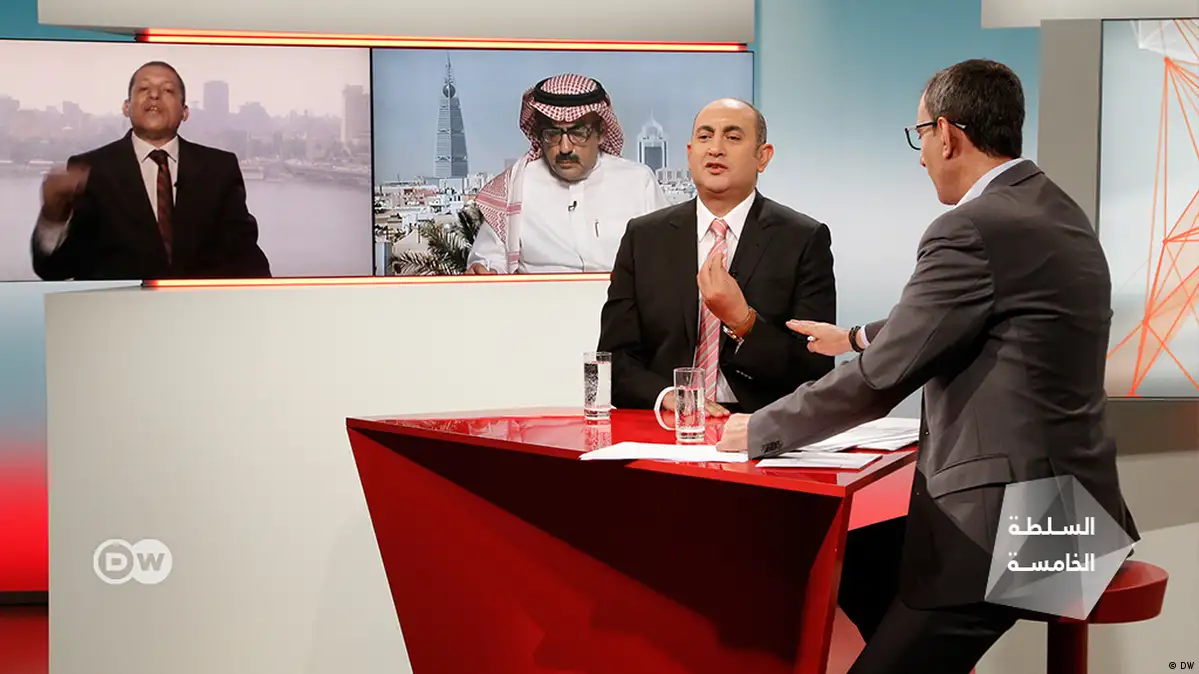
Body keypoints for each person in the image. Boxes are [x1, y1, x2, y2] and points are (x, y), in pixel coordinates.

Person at [716, 60, 1138, 673]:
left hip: (1020, 531)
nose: (920, 159)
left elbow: (880, 380)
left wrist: (760, 428)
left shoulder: (971, 227)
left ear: (946, 133)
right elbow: (964, 317)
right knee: (853, 560)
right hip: (1081, 516)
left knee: (854, 575)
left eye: (919, 136)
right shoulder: (1053, 208)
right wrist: (855, 336)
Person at [597, 98, 836, 415]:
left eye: (733, 137)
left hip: (759, 424)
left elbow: (814, 371)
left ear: (763, 157)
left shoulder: (802, 239)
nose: (715, 149)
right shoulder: (644, 237)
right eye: (705, 137)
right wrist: (667, 396)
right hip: (669, 420)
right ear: (689, 153)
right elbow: (614, 360)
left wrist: (743, 321)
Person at [31, 61, 271, 281]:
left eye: (167, 90)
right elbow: (53, 269)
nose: (154, 94)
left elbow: (246, 256)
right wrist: (53, 215)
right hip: (119, 312)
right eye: (144, 89)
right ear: (126, 107)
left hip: (199, 310)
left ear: (185, 112)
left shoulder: (219, 168)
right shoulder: (89, 169)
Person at [466, 73, 668, 274]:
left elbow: (668, 253)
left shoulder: (637, 182)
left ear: (601, 133)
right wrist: (484, 269)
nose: (564, 148)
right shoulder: (515, 187)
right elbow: (489, 259)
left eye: (578, 133)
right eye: (553, 134)